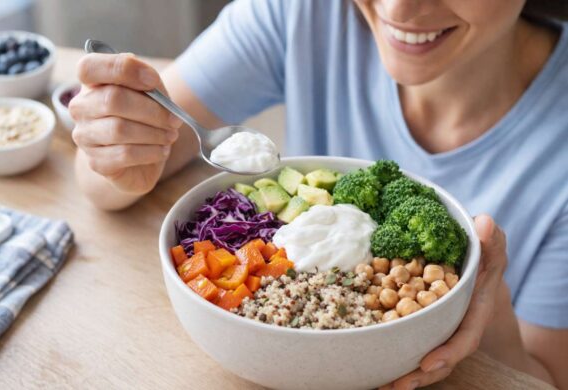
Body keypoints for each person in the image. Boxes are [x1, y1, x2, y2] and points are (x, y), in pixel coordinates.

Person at [69, 0, 568, 388]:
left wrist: (484, 299)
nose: (400, 10)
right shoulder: (299, 12)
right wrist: (120, 154)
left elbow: (544, 379)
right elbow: (98, 185)